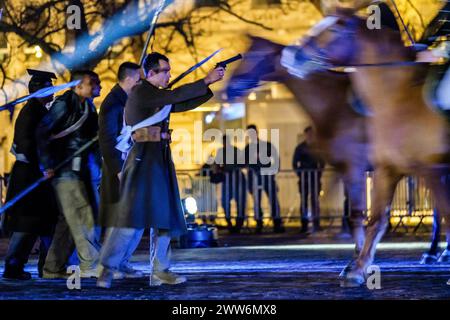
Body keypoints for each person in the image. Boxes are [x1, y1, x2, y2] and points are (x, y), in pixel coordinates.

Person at [97, 52, 225, 288]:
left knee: (163, 217)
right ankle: (107, 267)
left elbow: (182, 102)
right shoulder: (142, 91)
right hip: (142, 160)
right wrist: (204, 80)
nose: (169, 75)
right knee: (130, 218)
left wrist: (207, 86)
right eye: (164, 71)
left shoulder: (157, 96)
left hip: (159, 160)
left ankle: (160, 271)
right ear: (151, 73)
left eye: (169, 70)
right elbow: (175, 95)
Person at [36, 70, 101, 279]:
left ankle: (53, 268)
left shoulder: (87, 106)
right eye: (93, 83)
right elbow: (42, 133)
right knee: (82, 218)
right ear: (79, 86)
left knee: (69, 221)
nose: (98, 87)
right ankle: (89, 263)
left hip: (79, 170)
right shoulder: (64, 104)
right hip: (64, 171)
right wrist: (46, 164)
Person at [2, 69, 60, 280]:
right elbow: (28, 144)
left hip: (35, 174)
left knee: (41, 222)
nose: (53, 92)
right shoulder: (33, 112)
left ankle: (45, 265)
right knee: (27, 223)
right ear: (39, 90)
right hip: (30, 175)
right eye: (49, 88)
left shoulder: (38, 110)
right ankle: (14, 266)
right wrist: (43, 167)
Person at [97, 62, 145, 281]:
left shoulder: (124, 100)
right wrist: (117, 170)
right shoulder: (112, 104)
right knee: (121, 219)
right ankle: (112, 264)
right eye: (138, 78)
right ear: (128, 79)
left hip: (126, 164)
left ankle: (121, 262)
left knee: (130, 217)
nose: (141, 82)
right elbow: (107, 140)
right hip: (117, 168)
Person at [244, 124, 284, 233]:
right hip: (255, 177)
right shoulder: (248, 148)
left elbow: (276, 158)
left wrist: (274, 171)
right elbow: (243, 162)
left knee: (273, 199)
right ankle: (259, 222)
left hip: (267, 176)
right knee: (257, 201)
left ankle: (277, 221)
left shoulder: (266, 145)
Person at [292, 126, 325, 234]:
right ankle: (304, 224)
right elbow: (294, 163)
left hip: (314, 178)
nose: (310, 136)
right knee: (304, 201)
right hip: (304, 178)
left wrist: (318, 174)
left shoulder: (316, 148)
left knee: (315, 201)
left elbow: (322, 162)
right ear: (305, 135)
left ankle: (316, 223)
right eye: (308, 134)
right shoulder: (300, 148)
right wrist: (300, 174)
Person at [214, 135, 246, 234]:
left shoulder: (235, 150)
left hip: (237, 179)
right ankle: (230, 223)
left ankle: (238, 224)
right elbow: (217, 164)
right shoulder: (220, 152)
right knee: (225, 202)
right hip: (227, 180)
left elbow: (243, 163)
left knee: (240, 202)